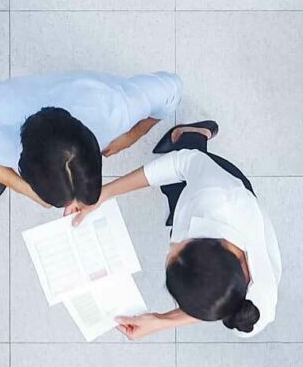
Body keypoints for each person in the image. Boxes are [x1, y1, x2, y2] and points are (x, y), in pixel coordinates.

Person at [71, 122, 281, 340]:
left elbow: (213, 305)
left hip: (196, 203)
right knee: (180, 169)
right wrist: (103, 194)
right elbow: (181, 163)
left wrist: (160, 321)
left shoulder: (250, 315)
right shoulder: (218, 193)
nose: (171, 245)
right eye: (177, 246)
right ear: (214, 242)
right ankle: (195, 134)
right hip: (220, 180)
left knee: (172, 193)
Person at [0, 70, 182, 209]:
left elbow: (173, 89)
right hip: (1, 119)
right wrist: (23, 189)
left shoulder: (115, 107)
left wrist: (134, 133)